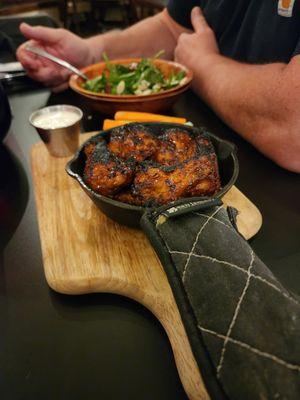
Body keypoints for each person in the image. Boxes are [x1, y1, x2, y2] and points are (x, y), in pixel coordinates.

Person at [16, 1, 300, 172]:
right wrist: (92, 54)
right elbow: (174, 27)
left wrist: (203, 66)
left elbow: (294, 130)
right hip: (206, 155)